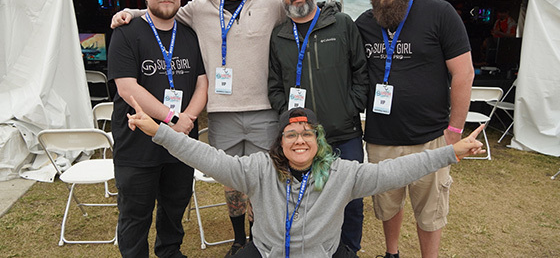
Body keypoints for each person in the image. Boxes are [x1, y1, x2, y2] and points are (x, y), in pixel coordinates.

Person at [127, 97, 485, 258]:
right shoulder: (257, 169)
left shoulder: (343, 173)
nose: (299, 140)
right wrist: (158, 131)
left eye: (307, 134)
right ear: (280, 143)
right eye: (290, 135)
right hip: (266, 253)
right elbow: (203, 154)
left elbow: (394, 171)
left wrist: (450, 152)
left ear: (318, 140)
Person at [110, 0, 285, 256]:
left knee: (252, 184)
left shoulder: (271, 3)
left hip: (254, 114)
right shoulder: (197, 9)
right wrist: (130, 13)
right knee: (225, 182)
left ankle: (255, 243)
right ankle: (237, 240)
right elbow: (129, 83)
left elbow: (301, 20)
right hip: (189, 124)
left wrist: (185, 118)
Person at [355, 0, 475, 258]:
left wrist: (455, 130)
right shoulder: (364, 24)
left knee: (431, 211)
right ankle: (392, 253)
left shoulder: (439, 12)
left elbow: (463, 72)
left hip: (431, 138)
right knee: (387, 205)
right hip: (382, 139)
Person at [107, 0, 208, 258]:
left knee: (175, 207)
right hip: (137, 146)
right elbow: (127, 88)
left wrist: (187, 119)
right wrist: (173, 119)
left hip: (181, 145)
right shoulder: (126, 33)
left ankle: (170, 252)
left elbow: (202, 82)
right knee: (135, 214)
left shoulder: (189, 34)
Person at [268, 0, 368, 253]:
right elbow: (274, 85)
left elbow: (361, 72)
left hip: (343, 133)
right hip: (300, 140)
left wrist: (350, 108)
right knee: (302, 199)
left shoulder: (342, 24)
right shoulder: (279, 36)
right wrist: (287, 119)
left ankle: (347, 250)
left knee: (350, 198)